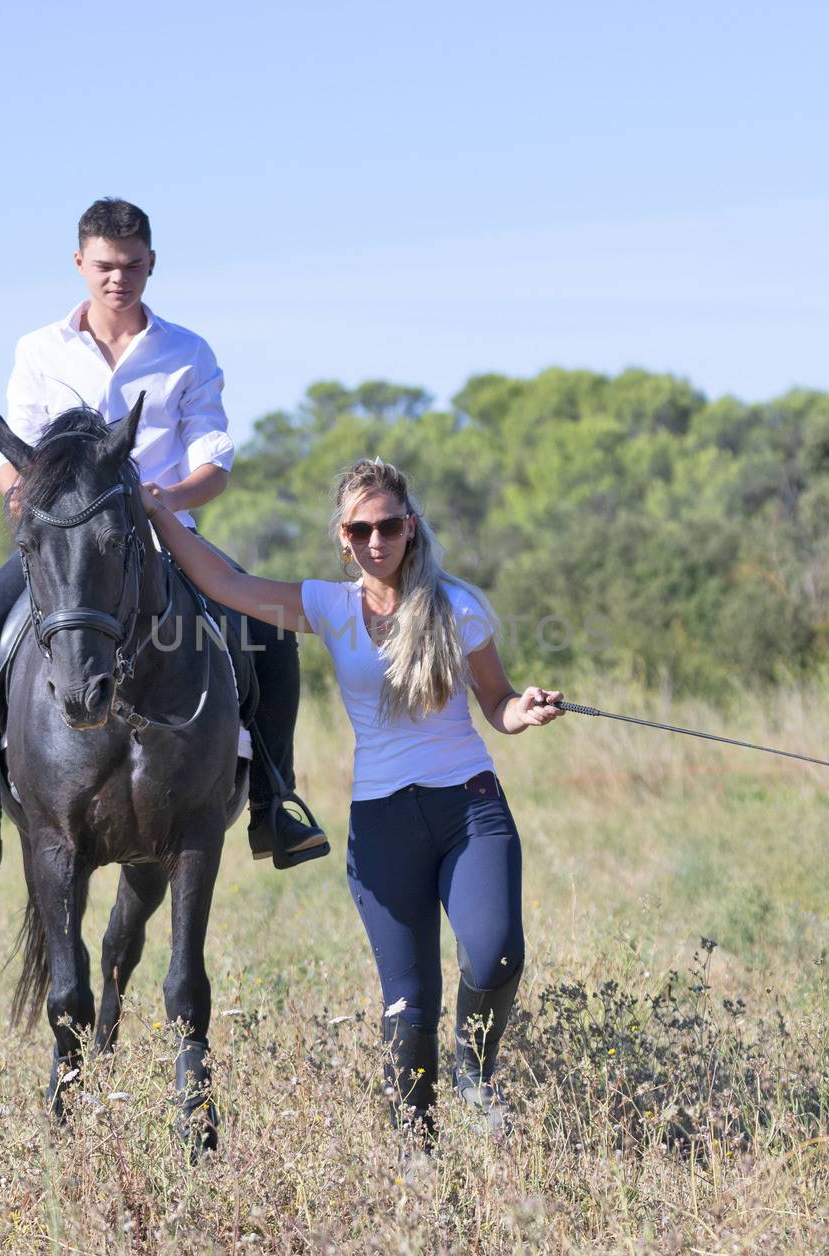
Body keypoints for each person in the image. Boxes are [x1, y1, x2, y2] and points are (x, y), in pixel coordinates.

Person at [141, 456, 564, 1138]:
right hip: (383, 820)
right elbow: (223, 581)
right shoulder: (328, 607)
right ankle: (415, 1150)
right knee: (409, 1003)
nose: (377, 541)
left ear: (411, 527)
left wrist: (528, 708)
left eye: (389, 526)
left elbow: (497, 702)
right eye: (362, 529)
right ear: (343, 535)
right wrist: (161, 514)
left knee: (496, 955)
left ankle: (475, 1073)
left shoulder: (458, 606)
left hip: (469, 809)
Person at [0, 197, 327, 878]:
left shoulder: (186, 352)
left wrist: (168, 499)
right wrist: (18, 488)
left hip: (168, 538)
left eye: (133, 265)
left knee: (271, 636)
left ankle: (273, 801)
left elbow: (213, 457)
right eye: (106, 265)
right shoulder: (39, 349)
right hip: (66, 543)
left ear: (151, 264)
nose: (119, 277)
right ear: (81, 263)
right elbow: (8, 452)